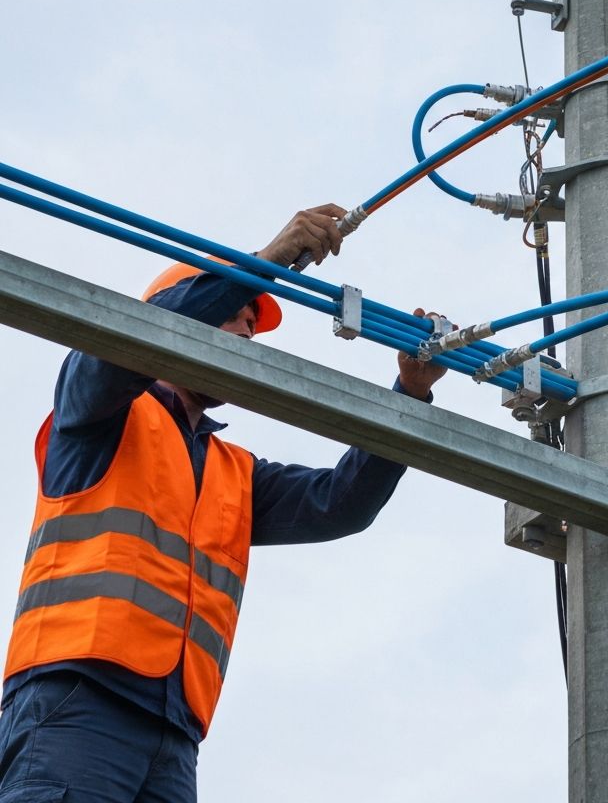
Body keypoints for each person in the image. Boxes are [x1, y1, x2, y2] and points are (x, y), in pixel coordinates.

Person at [0, 204, 447, 803]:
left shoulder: (233, 472)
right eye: (234, 318)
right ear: (183, 314)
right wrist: (267, 262)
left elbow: (342, 504)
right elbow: (134, 342)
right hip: (77, 696)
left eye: (250, 327)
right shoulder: (97, 411)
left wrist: (411, 393)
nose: (246, 336)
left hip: (175, 733)